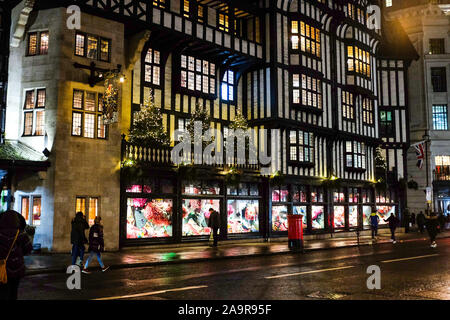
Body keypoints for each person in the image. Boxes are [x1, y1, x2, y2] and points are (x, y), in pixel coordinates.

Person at [0, 210, 33, 300]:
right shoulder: (21, 234)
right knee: (14, 292)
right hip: (17, 268)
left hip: (2, 268)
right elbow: (28, 249)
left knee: (3, 292)